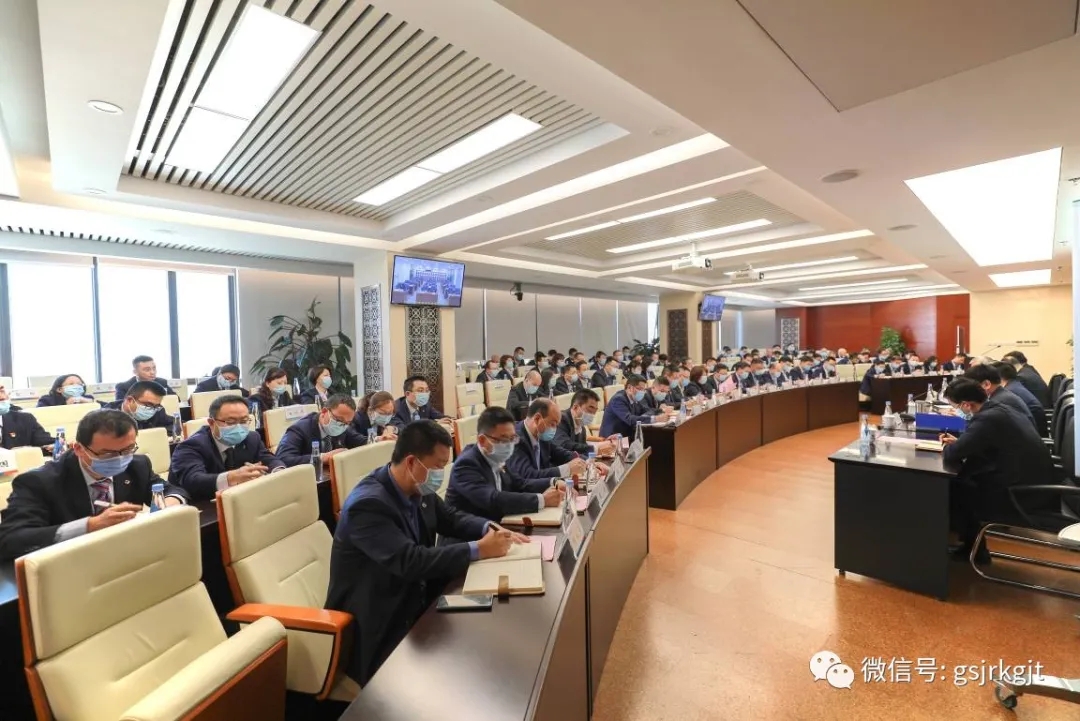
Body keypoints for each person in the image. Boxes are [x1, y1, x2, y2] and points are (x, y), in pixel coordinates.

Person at [326, 421, 525, 685]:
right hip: (380, 624)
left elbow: (450, 518)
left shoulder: (417, 486)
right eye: (438, 466)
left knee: (488, 632)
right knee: (454, 675)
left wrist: (488, 527)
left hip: (418, 601)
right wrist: (479, 548)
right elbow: (411, 561)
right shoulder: (368, 505)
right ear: (411, 462)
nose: (441, 473)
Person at [0, 410, 188, 560]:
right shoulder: (39, 482)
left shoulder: (137, 465)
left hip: (127, 554)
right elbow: (10, 539)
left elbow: (172, 490)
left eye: (128, 449)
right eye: (107, 454)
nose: (120, 459)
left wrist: (167, 504)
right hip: (72, 563)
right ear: (79, 449)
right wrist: (90, 525)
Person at [939, 378, 1052, 561]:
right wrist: (962, 443)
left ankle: (974, 551)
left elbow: (952, 454)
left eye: (956, 406)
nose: (957, 410)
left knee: (955, 489)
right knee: (961, 482)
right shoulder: (999, 408)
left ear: (966, 404)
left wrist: (949, 446)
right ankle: (973, 546)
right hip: (1030, 477)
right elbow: (983, 443)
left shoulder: (987, 419)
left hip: (1021, 491)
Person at [446, 406, 565, 522]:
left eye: (512, 438)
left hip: (502, 524)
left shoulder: (496, 457)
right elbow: (493, 499)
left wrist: (554, 482)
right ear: (482, 440)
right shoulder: (466, 464)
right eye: (503, 439)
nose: (509, 445)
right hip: (474, 532)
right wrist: (542, 500)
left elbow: (520, 484)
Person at [170, 395, 284, 501]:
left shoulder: (252, 438)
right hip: (200, 504)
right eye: (230, 422)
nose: (238, 427)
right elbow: (193, 480)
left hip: (239, 499)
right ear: (211, 423)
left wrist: (279, 473)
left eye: (244, 421)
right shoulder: (191, 446)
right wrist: (230, 478)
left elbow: (268, 459)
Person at [506, 398, 586, 482]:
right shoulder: (515, 438)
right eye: (552, 424)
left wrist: (586, 461)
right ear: (537, 419)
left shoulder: (540, 434)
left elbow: (561, 454)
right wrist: (567, 469)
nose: (554, 429)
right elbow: (528, 475)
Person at [277, 395, 367, 467]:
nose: (342, 425)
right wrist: (322, 458)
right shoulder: (300, 429)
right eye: (339, 420)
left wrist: (374, 441)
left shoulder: (343, 426)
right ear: (324, 412)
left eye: (347, 423)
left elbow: (362, 441)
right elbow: (283, 458)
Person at [962, 364, 1039, 434]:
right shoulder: (1002, 395)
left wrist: (960, 418)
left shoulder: (1000, 402)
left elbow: (977, 430)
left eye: (970, 388)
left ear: (986, 384)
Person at [554, 389, 617, 456]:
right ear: (575, 407)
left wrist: (605, 443)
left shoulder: (581, 427)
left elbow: (582, 450)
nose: (592, 415)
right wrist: (596, 448)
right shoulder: (561, 419)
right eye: (590, 410)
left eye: (594, 412)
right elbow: (563, 445)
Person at [105, 380, 174, 432]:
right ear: (130, 400)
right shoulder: (106, 417)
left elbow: (174, 424)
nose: (152, 410)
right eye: (148, 405)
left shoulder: (157, 410)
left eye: (156, 406)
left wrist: (156, 433)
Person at [0, 385, 53, 449]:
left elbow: (46, 442)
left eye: (2, 391)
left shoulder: (25, 420)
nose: (2, 397)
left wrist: (59, 444)